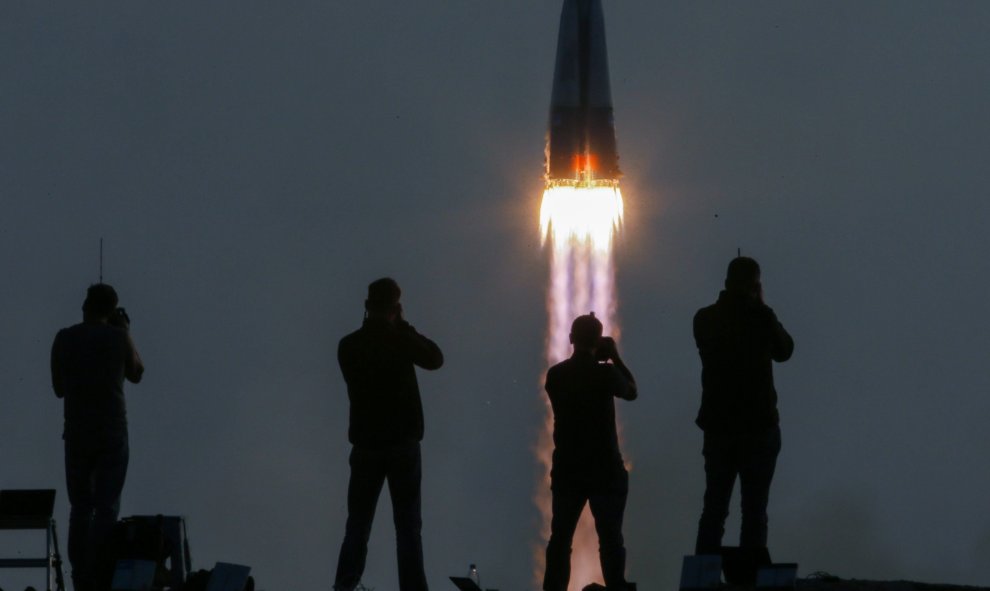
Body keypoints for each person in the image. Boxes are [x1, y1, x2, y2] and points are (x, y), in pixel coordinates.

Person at [334, 278, 444, 591]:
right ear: (396, 308)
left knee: (357, 524)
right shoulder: (401, 341)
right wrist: (404, 327)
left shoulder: (349, 345)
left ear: (367, 306)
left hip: (366, 445)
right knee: (408, 527)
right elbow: (435, 358)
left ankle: (345, 583)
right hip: (403, 445)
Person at [693, 256, 794, 562]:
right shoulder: (761, 317)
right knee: (754, 509)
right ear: (754, 285)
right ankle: (749, 577)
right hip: (759, 427)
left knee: (714, 508)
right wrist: (761, 306)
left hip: (719, 427)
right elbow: (785, 351)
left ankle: (703, 576)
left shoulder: (705, 318)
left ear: (726, 283)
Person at [50, 283, 144, 591]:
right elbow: (137, 372)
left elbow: (59, 388)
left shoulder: (64, 338)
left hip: (77, 430)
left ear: (85, 306)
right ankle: (102, 572)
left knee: (80, 507)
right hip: (112, 429)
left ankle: (81, 576)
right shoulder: (119, 337)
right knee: (107, 505)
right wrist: (126, 331)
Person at [543, 313, 637, 591]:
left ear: (571, 339)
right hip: (605, 467)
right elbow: (631, 391)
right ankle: (616, 586)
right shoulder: (606, 374)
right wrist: (615, 357)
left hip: (568, 468)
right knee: (610, 540)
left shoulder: (556, 375)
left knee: (560, 538)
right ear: (599, 340)